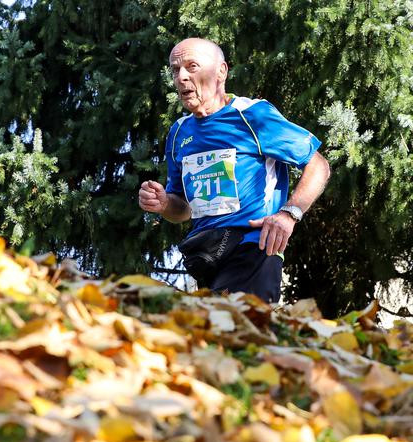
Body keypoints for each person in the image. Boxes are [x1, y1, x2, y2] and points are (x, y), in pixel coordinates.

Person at [138, 38, 331, 302]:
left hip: (254, 247)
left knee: (236, 333)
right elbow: (182, 208)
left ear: (221, 71)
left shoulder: (252, 115)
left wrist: (289, 214)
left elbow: (318, 164)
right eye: (175, 69)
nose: (181, 77)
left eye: (191, 66)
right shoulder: (179, 132)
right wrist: (163, 204)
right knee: (216, 337)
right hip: (207, 254)